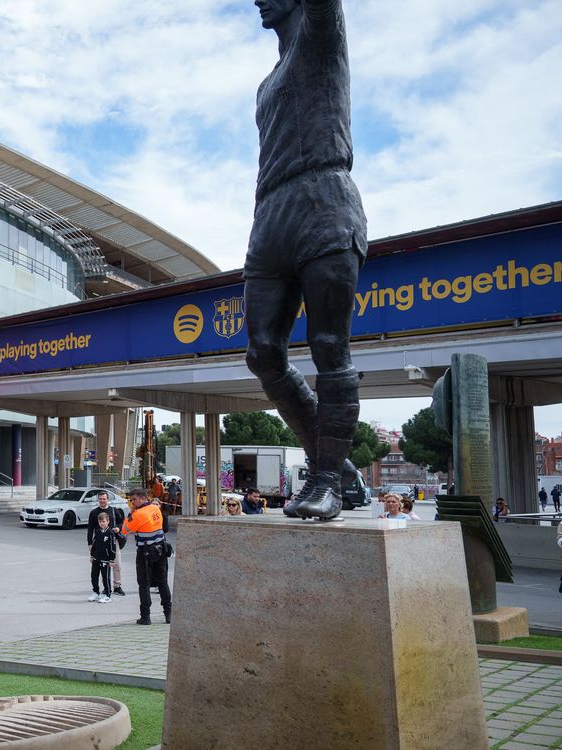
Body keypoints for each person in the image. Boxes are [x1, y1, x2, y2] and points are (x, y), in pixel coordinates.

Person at [244, 0, 367, 522]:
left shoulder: (320, 39)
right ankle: (337, 467)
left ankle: (325, 480)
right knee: (263, 352)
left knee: (327, 345)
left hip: (325, 198)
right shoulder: (266, 82)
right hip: (271, 210)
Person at [122, 487, 172, 625]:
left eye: (134, 500)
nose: (132, 503)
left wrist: (130, 514)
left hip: (145, 553)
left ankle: (146, 616)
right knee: (162, 582)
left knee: (144, 584)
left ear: (143, 498)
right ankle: (168, 614)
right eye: (131, 500)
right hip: (161, 549)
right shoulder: (155, 509)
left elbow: (124, 530)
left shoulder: (138, 514)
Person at [86, 491, 126, 596]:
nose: (102, 501)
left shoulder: (114, 510)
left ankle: (117, 586)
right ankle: (105, 588)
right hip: (99, 543)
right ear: (98, 500)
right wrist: (90, 543)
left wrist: (119, 528)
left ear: (107, 499)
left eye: (104, 499)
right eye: (100, 499)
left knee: (117, 564)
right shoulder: (94, 512)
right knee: (102, 566)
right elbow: (90, 529)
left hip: (113, 541)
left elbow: (122, 521)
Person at [88, 512, 118, 603]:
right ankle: (96, 592)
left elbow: (113, 547)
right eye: (100, 522)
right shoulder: (97, 532)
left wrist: (112, 559)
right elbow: (94, 545)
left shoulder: (110, 533)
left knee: (105, 578)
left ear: (108, 521)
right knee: (94, 576)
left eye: (104, 521)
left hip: (106, 560)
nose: (102, 523)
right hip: (96, 558)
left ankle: (107, 595)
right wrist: (92, 556)